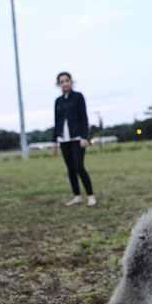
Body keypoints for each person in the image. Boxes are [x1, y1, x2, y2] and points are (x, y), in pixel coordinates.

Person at [52, 72, 97, 207]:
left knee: (79, 167)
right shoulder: (58, 101)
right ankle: (77, 196)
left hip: (77, 138)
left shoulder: (78, 97)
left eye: (67, 81)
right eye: (62, 81)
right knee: (70, 168)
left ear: (71, 82)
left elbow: (84, 118)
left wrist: (84, 137)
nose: (65, 83)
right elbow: (57, 121)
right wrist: (54, 139)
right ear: (59, 84)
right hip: (63, 139)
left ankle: (90, 196)